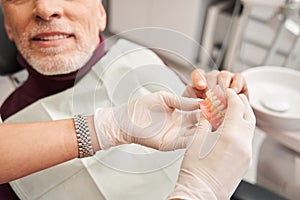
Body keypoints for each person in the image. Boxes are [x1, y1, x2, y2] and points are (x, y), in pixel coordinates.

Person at [0, 0, 254, 199]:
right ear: (8, 27)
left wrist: (215, 111)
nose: (45, 8)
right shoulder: (11, 127)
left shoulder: (140, 60)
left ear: (101, 13)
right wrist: (200, 192)